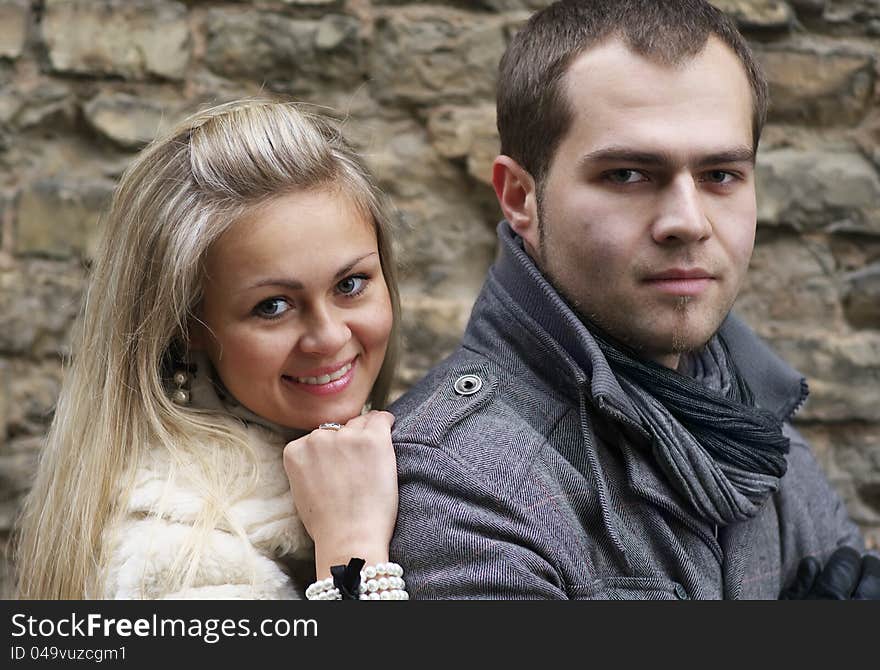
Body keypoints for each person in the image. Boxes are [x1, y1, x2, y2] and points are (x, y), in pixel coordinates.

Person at [388, 0, 880, 599]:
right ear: (520, 197)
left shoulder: (751, 421)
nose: (687, 222)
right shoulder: (459, 478)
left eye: (720, 174)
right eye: (627, 175)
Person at [14, 99, 406, 600]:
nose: (329, 337)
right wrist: (352, 556)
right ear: (186, 325)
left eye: (350, 284)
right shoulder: (180, 560)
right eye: (273, 306)